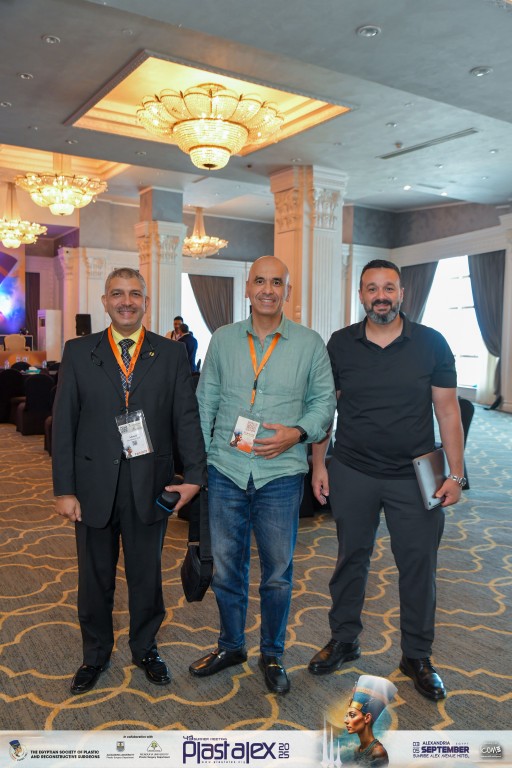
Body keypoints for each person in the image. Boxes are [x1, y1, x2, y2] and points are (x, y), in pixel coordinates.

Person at [308, 259, 466, 701]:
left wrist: (456, 474)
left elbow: (448, 411)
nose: (381, 296)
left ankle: (417, 655)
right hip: (353, 469)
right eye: (372, 288)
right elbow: (326, 409)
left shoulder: (431, 343)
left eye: (389, 288)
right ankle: (344, 640)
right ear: (361, 295)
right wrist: (319, 464)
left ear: (402, 293)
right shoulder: (340, 343)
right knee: (350, 560)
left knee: (418, 566)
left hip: (416, 476)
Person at [52, 268, 205, 695]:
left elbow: (185, 418)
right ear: (105, 301)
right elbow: (64, 423)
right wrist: (64, 488)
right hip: (91, 488)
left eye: (135, 294)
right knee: (94, 578)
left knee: (146, 576)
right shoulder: (79, 351)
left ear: (146, 302)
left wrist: (194, 476)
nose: (126, 301)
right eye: (117, 294)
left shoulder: (169, 353)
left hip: (149, 485)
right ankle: (95, 654)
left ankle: (145, 649)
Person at [189, 255, 335, 694]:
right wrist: (200, 465)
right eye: (260, 281)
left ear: (287, 291)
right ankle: (231, 646)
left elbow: (324, 404)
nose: (268, 290)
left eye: (276, 282)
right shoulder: (223, 339)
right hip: (226, 469)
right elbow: (205, 402)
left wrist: (297, 433)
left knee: (277, 574)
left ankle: (272, 654)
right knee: (227, 569)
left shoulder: (310, 344)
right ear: (248, 288)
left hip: (281, 475)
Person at [344, 675, 396, 767]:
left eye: (352, 715)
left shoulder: (378, 753)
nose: (346, 720)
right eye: (346, 716)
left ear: (367, 718)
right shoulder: (358, 750)